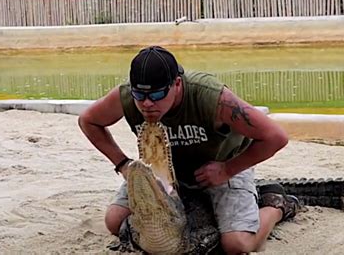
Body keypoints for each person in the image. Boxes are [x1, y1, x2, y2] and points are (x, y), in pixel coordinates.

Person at [78, 45, 298, 255]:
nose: (147, 104)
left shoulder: (211, 97)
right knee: (114, 221)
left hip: (223, 164)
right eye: (140, 95)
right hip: (164, 168)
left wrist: (227, 169)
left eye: (156, 95)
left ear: (177, 83)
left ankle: (276, 205)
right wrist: (122, 163)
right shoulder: (126, 96)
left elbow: (275, 137)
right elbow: (88, 121)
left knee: (237, 244)